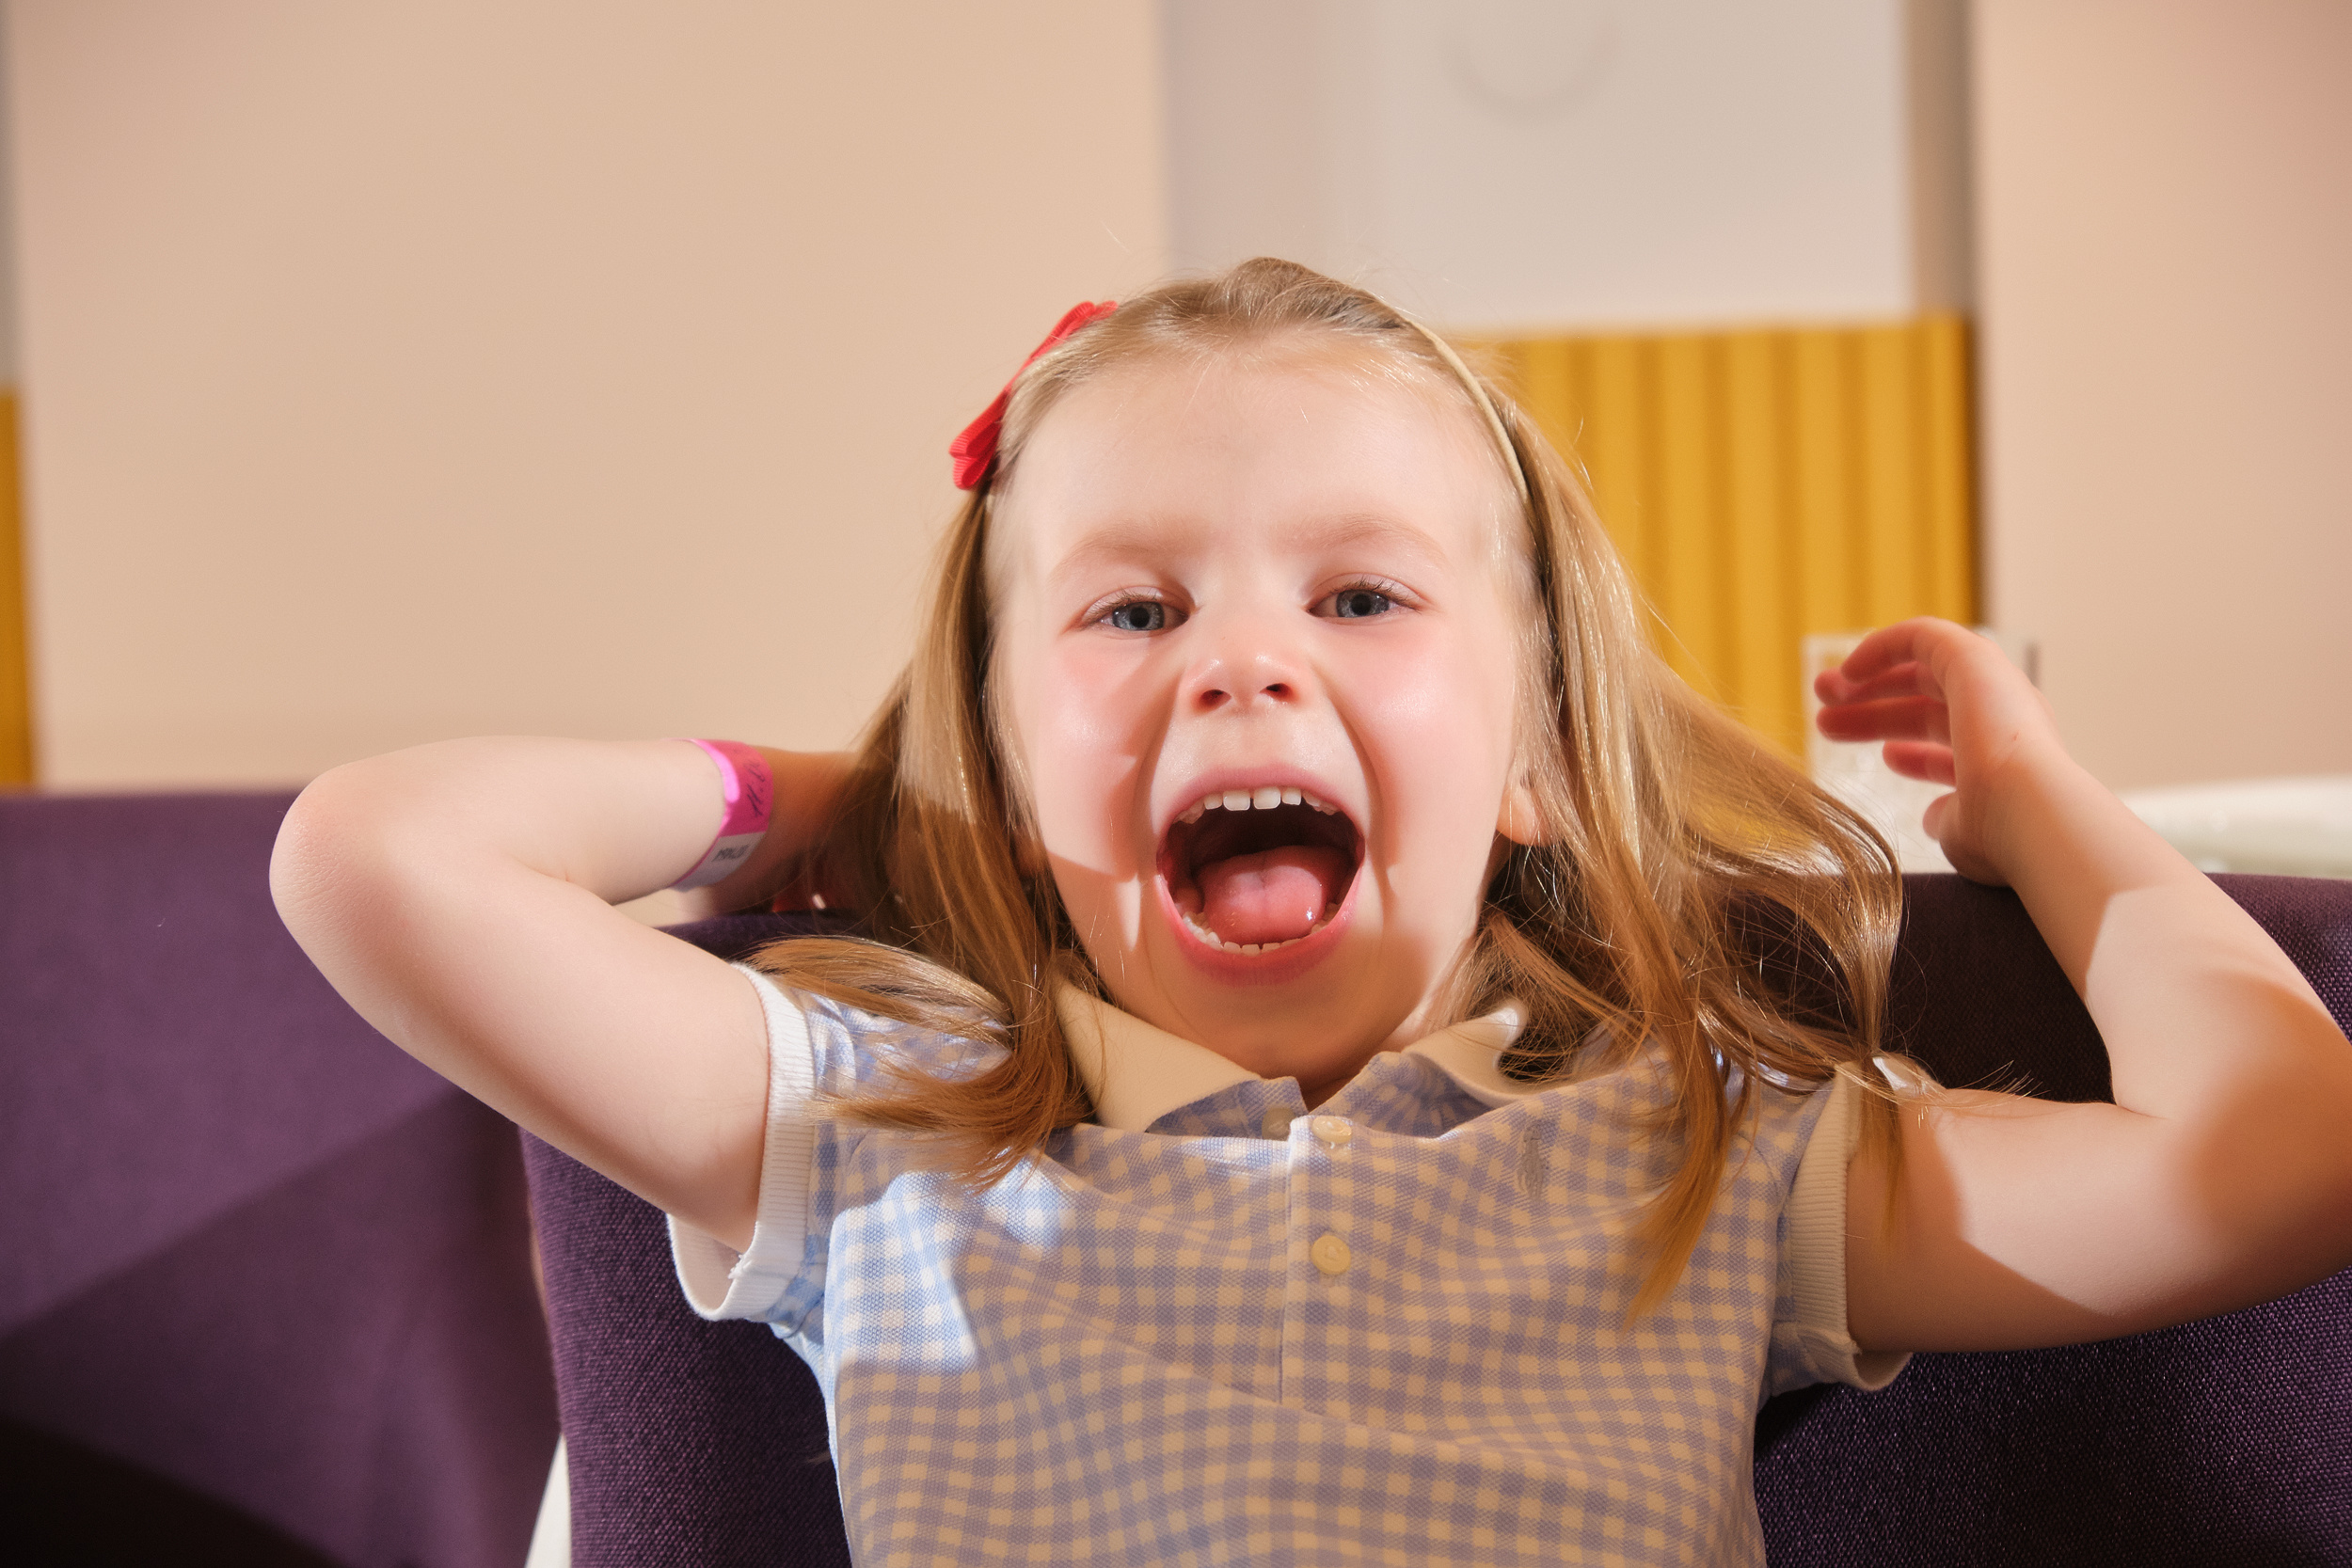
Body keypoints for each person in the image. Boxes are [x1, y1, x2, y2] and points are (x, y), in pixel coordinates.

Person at [272, 259, 2352, 1565]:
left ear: (1533, 756)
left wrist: (2044, 810)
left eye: (1357, 596)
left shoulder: (1702, 1160)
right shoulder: (876, 1142)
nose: (1240, 663)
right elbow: (377, 861)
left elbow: (2269, 1161)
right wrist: (870, 806)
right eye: (1130, 610)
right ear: (1006, 778)